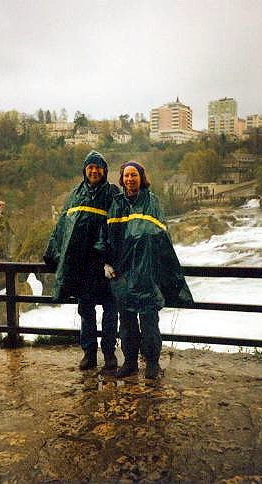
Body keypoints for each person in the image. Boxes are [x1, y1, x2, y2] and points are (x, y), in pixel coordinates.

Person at [98, 161, 193, 379]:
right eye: (126, 176)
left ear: (141, 178)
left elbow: (160, 239)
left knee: (149, 321)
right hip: (122, 276)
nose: (130, 179)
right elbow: (106, 237)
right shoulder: (117, 203)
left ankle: (152, 363)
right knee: (127, 323)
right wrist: (105, 262)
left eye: (134, 175)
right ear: (122, 179)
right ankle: (130, 362)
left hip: (147, 273)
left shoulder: (152, 202)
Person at [44, 151, 119, 372]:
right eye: (90, 167)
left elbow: (118, 227)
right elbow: (62, 227)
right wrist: (53, 253)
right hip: (83, 267)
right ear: (85, 170)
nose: (94, 171)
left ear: (104, 171)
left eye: (98, 167)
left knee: (110, 311)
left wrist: (110, 258)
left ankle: (109, 353)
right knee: (86, 311)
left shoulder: (113, 194)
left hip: (105, 266)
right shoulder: (75, 194)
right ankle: (89, 354)